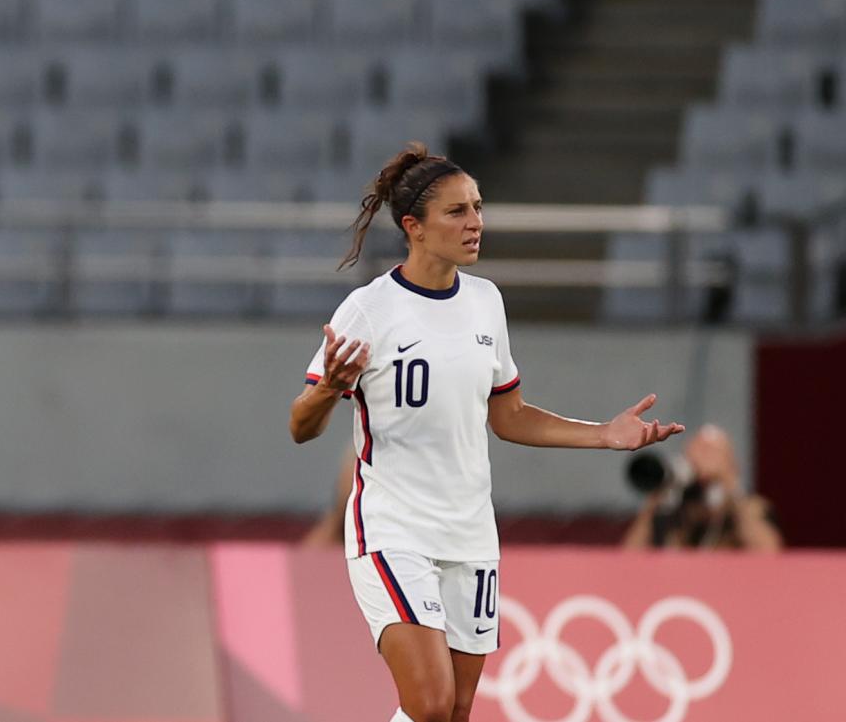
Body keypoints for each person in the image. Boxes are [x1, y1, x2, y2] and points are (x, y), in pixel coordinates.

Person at [285, 143, 686, 722]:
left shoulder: (484, 302)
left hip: (470, 532)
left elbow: (510, 415)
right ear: (413, 227)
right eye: (457, 212)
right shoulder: (369, 309)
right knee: (428, 703)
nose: (475, 223)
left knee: (457, 710)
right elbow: (300, 425)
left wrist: (603, 435)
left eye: (478, 207)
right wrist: (326, 390)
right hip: (394, 528)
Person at [622, 425, 783, 551]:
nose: (702, 459)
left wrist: (728, 482)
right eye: (696, 453)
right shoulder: (672, 510)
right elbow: (628, 559)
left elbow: (769, 552)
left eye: (711, 453)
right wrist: (657, 497)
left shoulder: (750, 507)